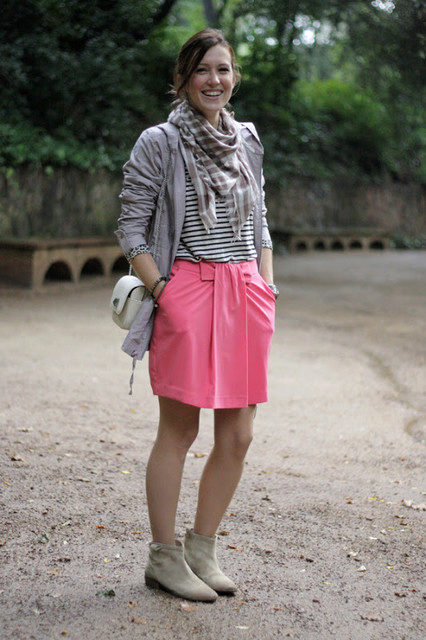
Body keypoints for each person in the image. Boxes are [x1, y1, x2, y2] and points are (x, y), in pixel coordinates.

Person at [115, 28, 279, 603]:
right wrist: (164, 291)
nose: (215, 80)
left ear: (235, 77)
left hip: (245, 292)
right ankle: (164, 557)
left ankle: (202, 549)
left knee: (239, 435)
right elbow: (131, 225)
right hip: (188, 287)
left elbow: (260, 219)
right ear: (183, 78)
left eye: (224, 69)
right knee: (180, 430)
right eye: (203, 69)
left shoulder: (247, 139)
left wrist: (266, 285)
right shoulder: (160, 142)